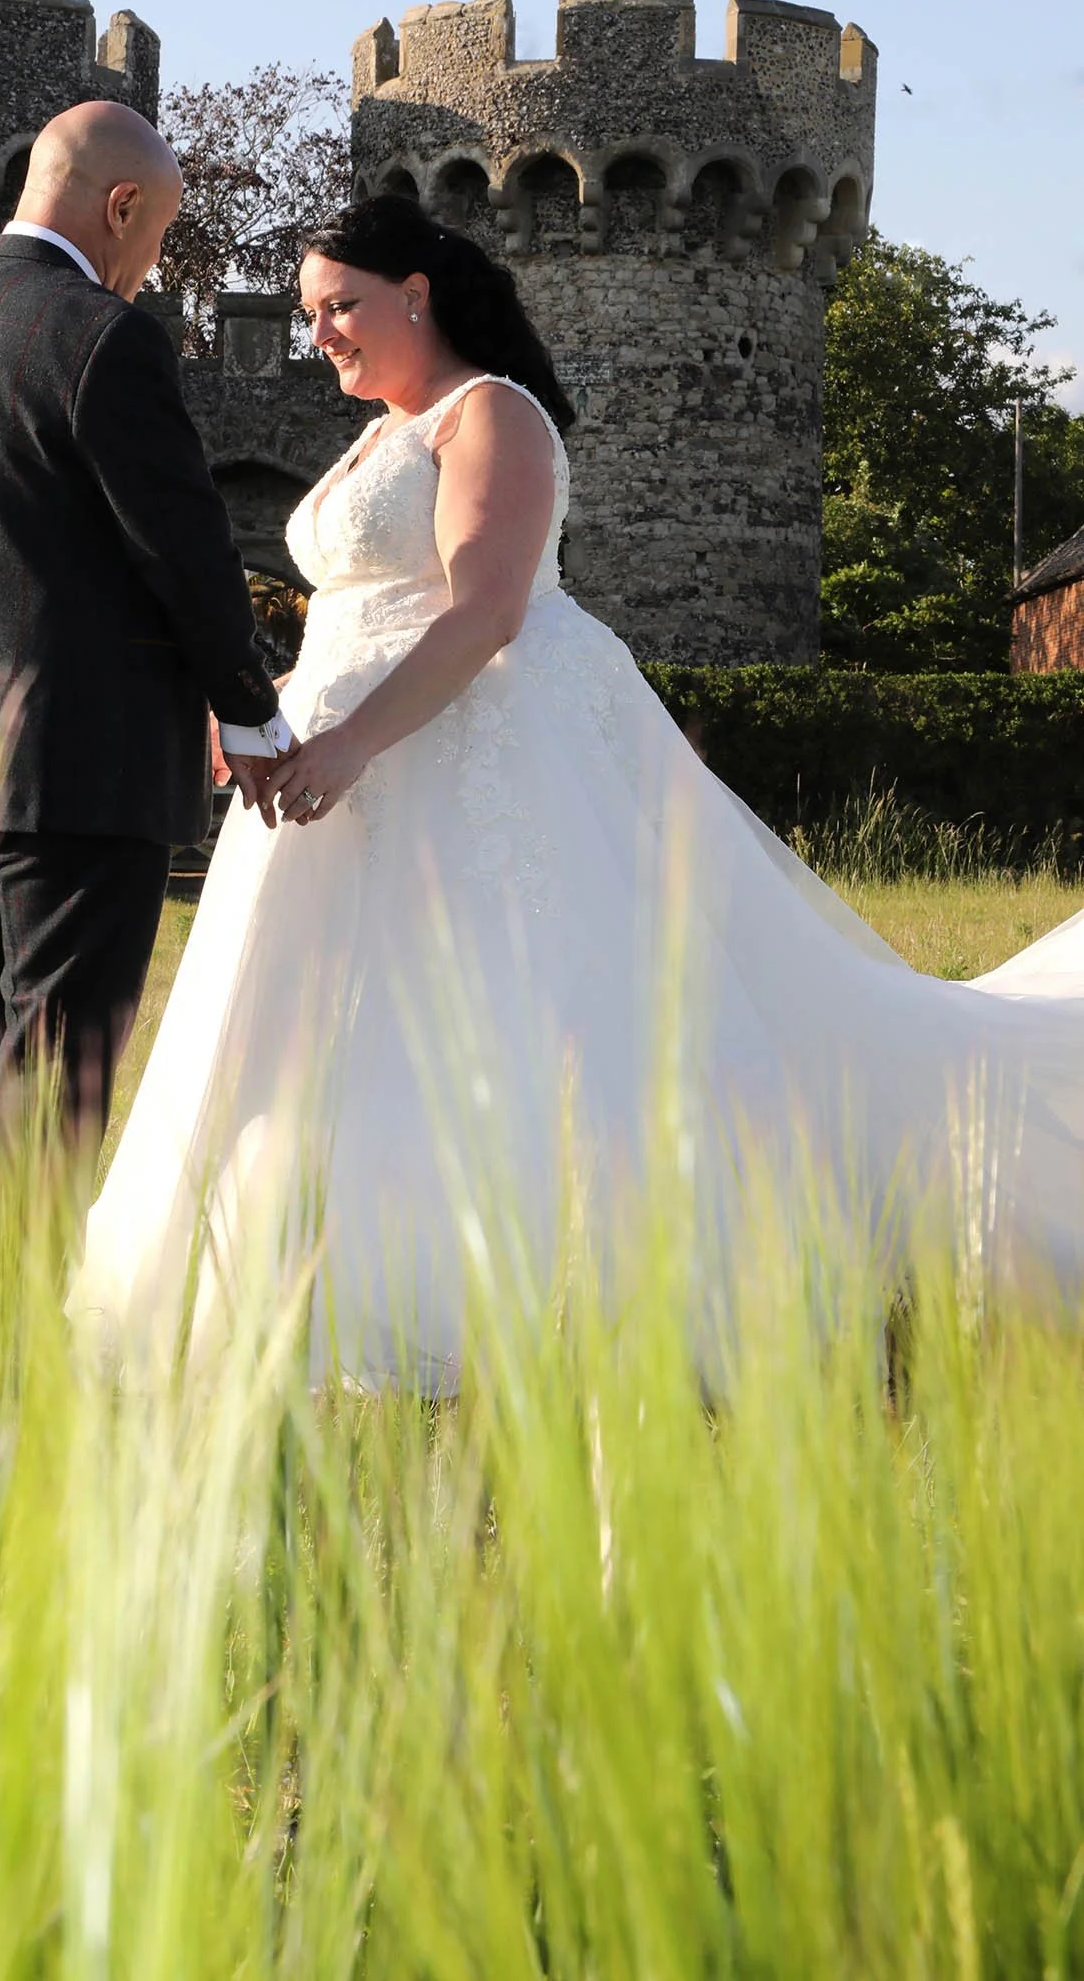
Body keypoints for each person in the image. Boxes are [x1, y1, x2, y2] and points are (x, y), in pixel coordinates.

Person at [72, 195, 1084, 1387]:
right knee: (341, 1025)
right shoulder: (380, 433)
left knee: (521, 1009)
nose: (323, 334)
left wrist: (349, 745)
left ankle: (538, 1293)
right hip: (346, 773)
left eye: (341, 305)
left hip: (470, 750)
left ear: (419, 290)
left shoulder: (487, 413)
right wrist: (270, 704)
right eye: (309, 314)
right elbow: (366, 609)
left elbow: (483, 613)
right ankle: (325, 1282)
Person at [0, 101, 292, 1302]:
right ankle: (10, 1368)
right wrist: (250, 710)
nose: (154, 268)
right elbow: (184, 546)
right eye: (161, 239)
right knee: (55, 1063)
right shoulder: (101, 339)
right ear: (120, 208)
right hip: (86, 770)